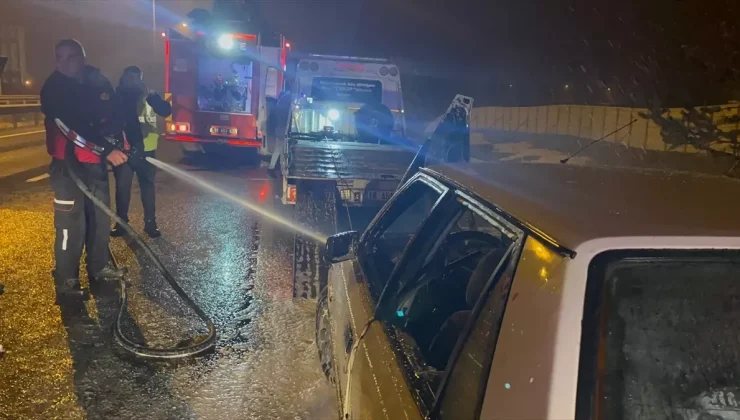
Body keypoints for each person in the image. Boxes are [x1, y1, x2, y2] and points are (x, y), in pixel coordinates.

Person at [41, 38, 128, 302]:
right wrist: (105, 150)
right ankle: (67, 279)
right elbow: (71, 128)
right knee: (70, 227)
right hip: (68, 170)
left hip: (94, 167)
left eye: (71, 56)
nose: (64, 62)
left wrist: (119, 142)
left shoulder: (93, 83)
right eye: (59, 57)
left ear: (83, 57)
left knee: (100, 221)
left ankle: (99, 266)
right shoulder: (53, 88)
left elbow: (110, 116)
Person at [110, 65, 171, 238]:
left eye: (136, 78)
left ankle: (150, 223)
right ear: (123, 77)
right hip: (124, 149)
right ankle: (121, 223)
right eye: (129, 77)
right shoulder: (117, 96)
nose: (132, 81)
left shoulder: (148, 95)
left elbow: (166, 111)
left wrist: (152, 96)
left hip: (146, 148)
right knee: (122, 188)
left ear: (141, 79)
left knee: (147, 187)